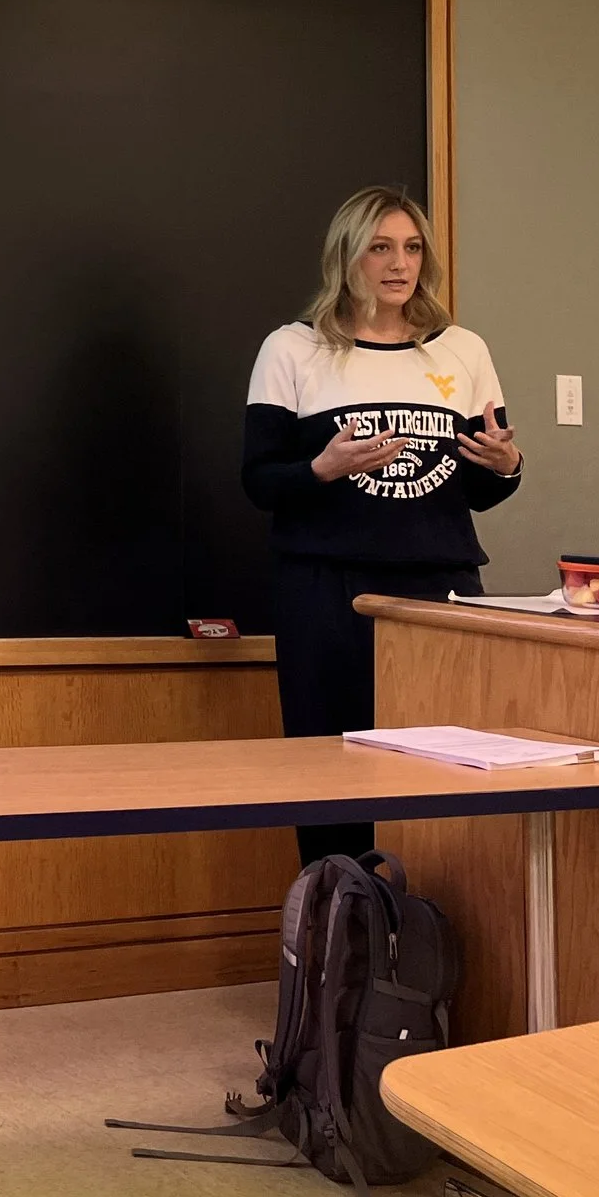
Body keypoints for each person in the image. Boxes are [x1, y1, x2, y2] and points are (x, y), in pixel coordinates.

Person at [243, 186, 522, 865]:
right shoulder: (294, 348)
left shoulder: (461, 350)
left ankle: (431, 916)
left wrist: (508, 465)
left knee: (443, 771)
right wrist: (322, 468)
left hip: (440, 586)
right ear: (347, 257)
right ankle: (338, 911)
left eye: (412, 248)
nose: (400, 264)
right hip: (327, 590)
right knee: (329, 770)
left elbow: (481, 489)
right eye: (380, 247)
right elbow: (259, 481)